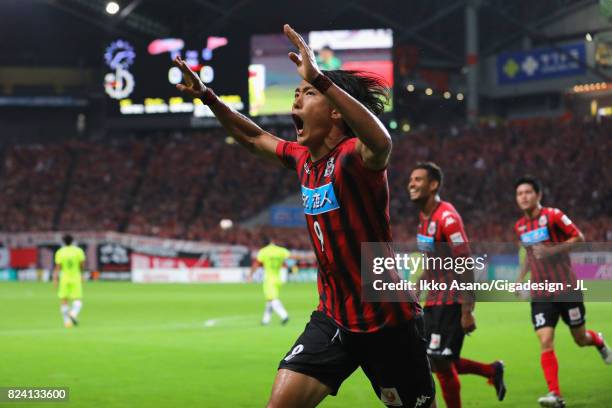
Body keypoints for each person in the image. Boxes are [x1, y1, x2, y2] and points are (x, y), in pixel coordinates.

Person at [174, 23, 435, 408]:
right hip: (333, 318)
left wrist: (321, 78)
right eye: (296, 92)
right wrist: (209, 98)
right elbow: (252, 137)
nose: (296, 99)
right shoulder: (303, 160)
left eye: (307, 93)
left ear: (334, 112)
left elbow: (381, 142)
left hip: (386, 320)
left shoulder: (353, 158)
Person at [407, 162, 506, 408]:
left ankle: (489, 374)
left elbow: (465, 263)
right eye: (411, 179)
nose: (411, 183)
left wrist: (466, 310)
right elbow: (433, 262)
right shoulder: (424, 218)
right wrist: (417, 287)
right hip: (433, 300)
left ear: (434, 185)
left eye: (418, 179)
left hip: (451, 301)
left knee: (439, 360)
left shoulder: (448, 218)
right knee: (435, 360)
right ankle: (491, 371)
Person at [513, 176, 611, 408]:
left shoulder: (554, 216)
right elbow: (529, 254)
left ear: (538, 195)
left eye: (528, 192)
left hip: (567, 289)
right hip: (541, 293)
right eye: (519, 193)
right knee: (545, 339)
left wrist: (553, 251)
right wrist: (519, 279)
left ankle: (597, 341)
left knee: (580, 338)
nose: (524, 197)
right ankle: (555, 394)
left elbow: (579, 237)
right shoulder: (520, 226)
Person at [250, 237, 291, 325]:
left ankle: (284, 315)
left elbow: (256, 263)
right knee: (269, 300)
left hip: (269, 279)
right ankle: (265, 320)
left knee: (272, 299)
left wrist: (250, 275)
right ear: (271, 242)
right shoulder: (280, 250)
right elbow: (290, 256)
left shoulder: (263, 251)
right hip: (278, 278)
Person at [53, 234, 86, 328]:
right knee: (77, 299)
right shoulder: (78, 251)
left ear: (63, 242)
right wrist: (82, 274)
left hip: (64, 278)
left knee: (64, 300)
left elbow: (58, 267)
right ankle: (73, 313)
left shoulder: (60, 252)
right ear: (73, 241)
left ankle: (67, 322)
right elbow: (82, 265)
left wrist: (55, 279)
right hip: (75, 277)